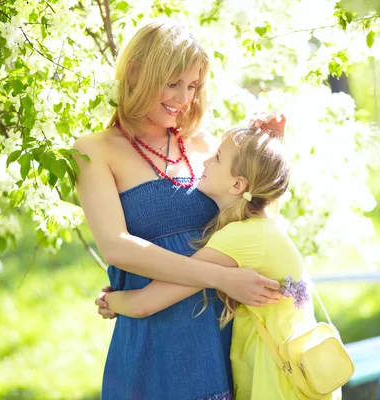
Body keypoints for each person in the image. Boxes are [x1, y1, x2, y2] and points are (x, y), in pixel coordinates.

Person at [74, 21, 284, 399]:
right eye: (173, 83)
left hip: (225, 339)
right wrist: (218, 277)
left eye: (193, 85)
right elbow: (117, 248)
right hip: (155, 345)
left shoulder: (206, 143)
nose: (184, 98)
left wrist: (268, 148)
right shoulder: (94, 150)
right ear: (136, 70)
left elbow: (252, 218)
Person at [96, 126, 341, 400]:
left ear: (237, 185)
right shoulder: (260, 227)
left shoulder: (237, 239)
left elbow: (145, 303)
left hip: (276, 383)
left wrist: (110, 302)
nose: (205, 161)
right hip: (298, 376)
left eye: (217, 159)